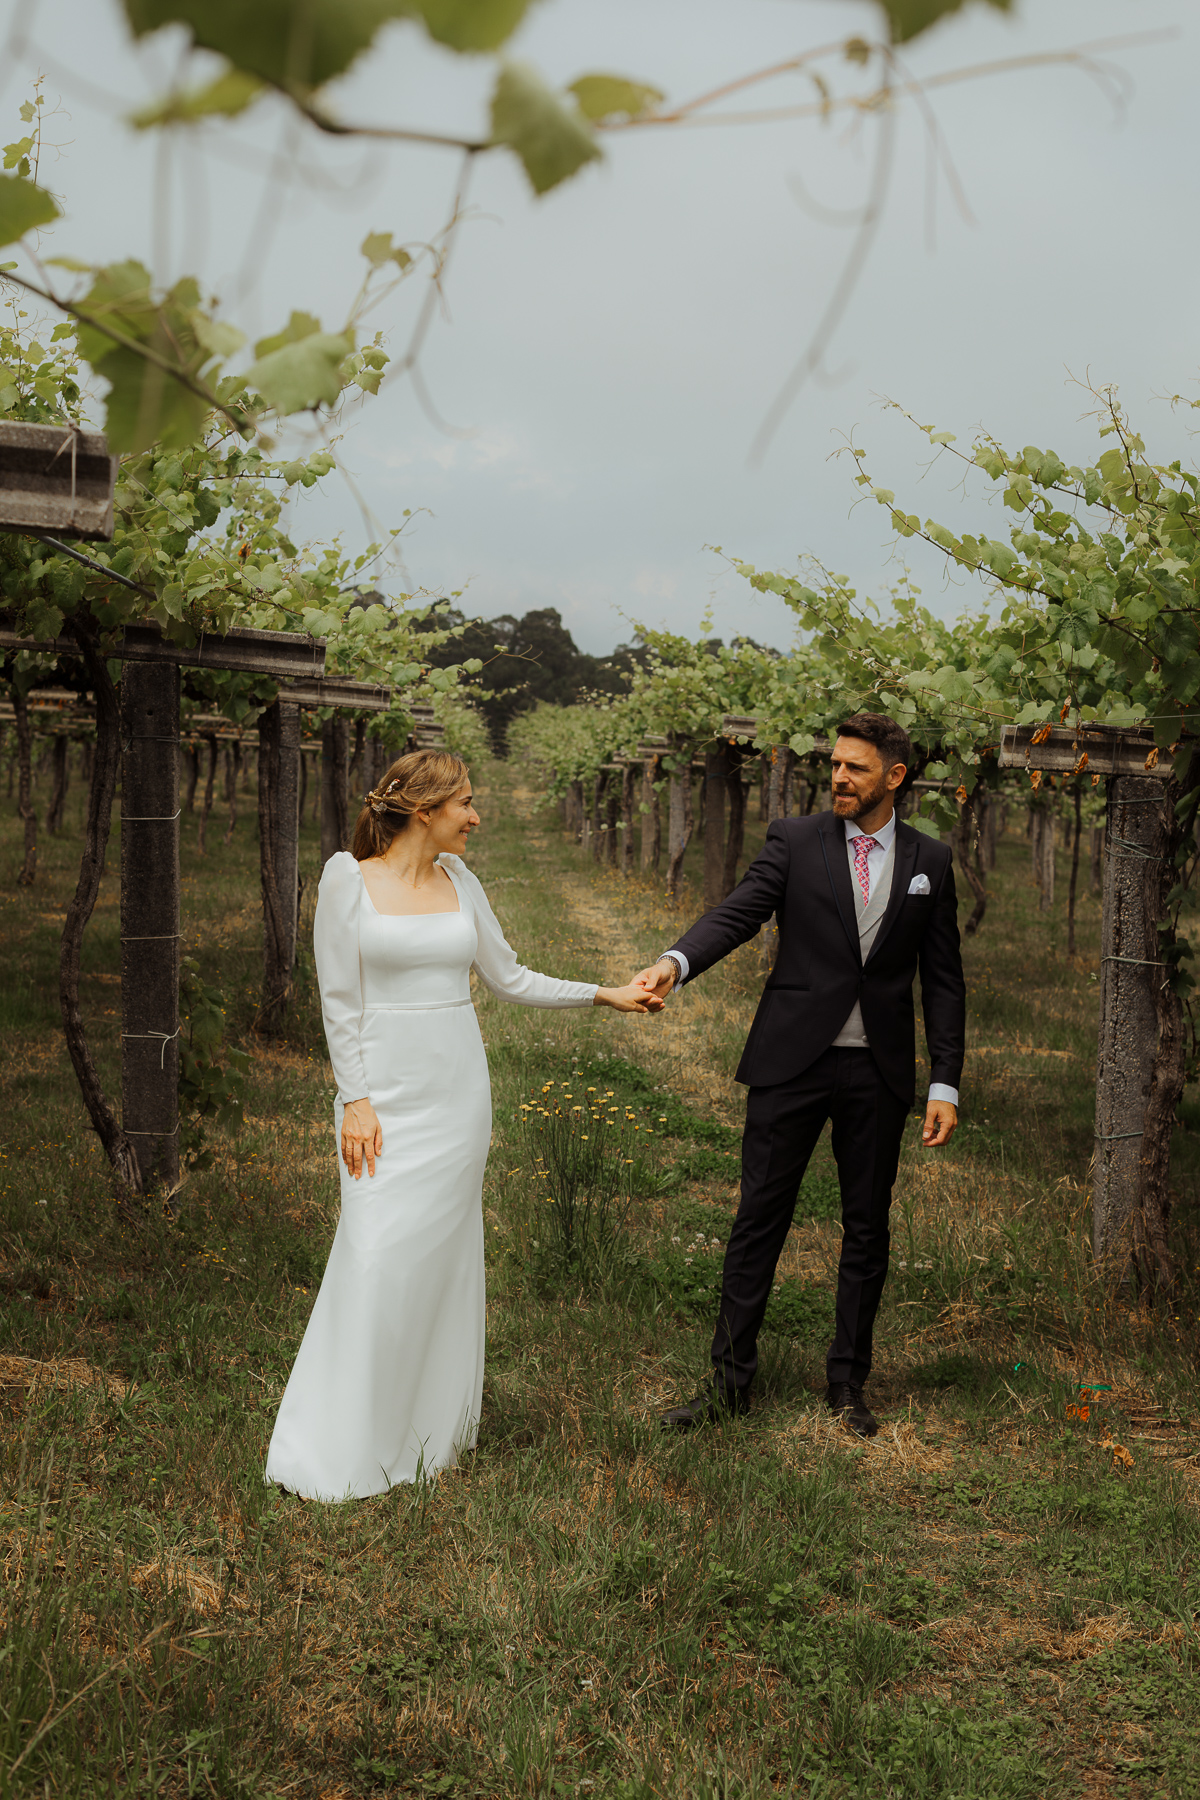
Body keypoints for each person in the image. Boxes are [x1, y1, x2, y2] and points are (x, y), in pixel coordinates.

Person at [265, 750, 658, 1500]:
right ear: (424, 809)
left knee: (439, 1259)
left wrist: (603, 995)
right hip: (383, 1092)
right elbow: (338, 1001)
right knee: (375, 1251)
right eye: (466, 804)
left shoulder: (461, 883)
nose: (476, 817)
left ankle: (428, 1432)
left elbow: (509, 978)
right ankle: (341, 1439)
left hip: (456, 1094)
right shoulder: (349, 880)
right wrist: (354, 1099)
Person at [632, 714, 965, 1439]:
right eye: (836, 765)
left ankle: (848, 1386)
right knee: (759, 1221)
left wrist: (945, 1080)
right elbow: (738, 914)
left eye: (856, 768)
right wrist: (676, 963)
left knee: (866, 1231)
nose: (839, 777)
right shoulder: (794, 839)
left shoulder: (930, 862)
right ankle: (728, 1385)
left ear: (895, 778)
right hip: (791, 1063)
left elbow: (942, 981)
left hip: (877, 1072)